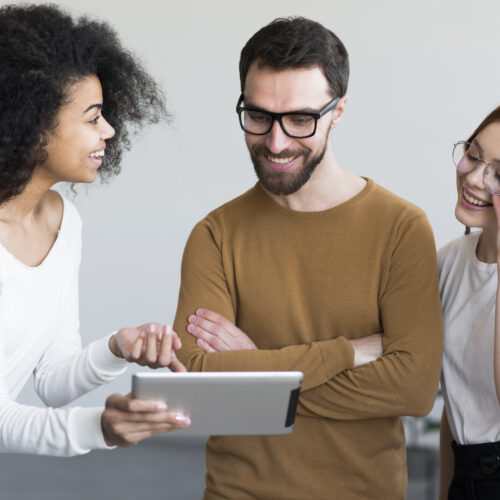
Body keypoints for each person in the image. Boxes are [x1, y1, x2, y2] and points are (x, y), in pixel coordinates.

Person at [173, 16, 443, 500]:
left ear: (338, 112)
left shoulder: (401, 228)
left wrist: (255, 371)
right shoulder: (214, 236)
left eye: (300, 119)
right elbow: (196, 381)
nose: (275, 143)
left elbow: (413, 387)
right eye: (258, 116)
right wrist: (345, 354)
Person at [0, 4, 190, 457]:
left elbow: (51, 379)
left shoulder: (64, 221)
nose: (108, 129)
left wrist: (116, 347)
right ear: (32, 126)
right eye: (91, 117)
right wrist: (98, 429)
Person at [439, 106, 500, 499]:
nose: (474, 179)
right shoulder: (448, 261)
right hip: (467, 476)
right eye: (474, 156)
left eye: (499, 173)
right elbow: (454, 402)